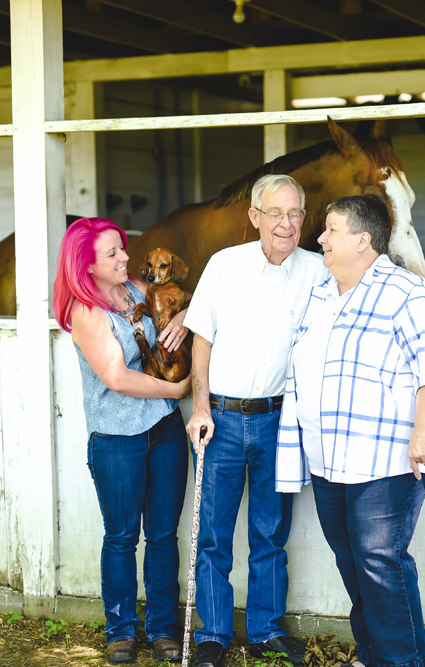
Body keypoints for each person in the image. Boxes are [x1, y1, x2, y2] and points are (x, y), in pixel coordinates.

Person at [276, 195, 425, 667]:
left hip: (387, 460)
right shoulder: (320, 295)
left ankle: (402, 662)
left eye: (330, 230)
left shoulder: (408, 293)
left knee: (381, 565)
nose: (320, 238)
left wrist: (424, 431)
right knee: (353, 565)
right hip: (329, 460)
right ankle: (374, 655)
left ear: (363, 239)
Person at [182, 174, 330, 667]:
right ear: (254, 217)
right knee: (213, 534)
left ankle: (265, 630)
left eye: (295, 214)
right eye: (275, 214)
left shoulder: (319, 270)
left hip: (278, 422)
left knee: (270, 533)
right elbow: (200, 339)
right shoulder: (224, 265)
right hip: (220, 419)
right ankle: (213, 635)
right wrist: (200, 406)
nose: (286, 225)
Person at [53, 217, 191, 664]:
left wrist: (187, 316)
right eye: (112, 253)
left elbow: (183, 306)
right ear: (86, 264)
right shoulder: (84, 311)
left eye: (122, 249)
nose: (124, 258)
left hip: (165, 430)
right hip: (117, 438)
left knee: (164, 535)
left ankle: (164, 629)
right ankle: (121, 631)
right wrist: (175, 390)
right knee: (122, 537)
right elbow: (116, 375)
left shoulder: (136, 290)